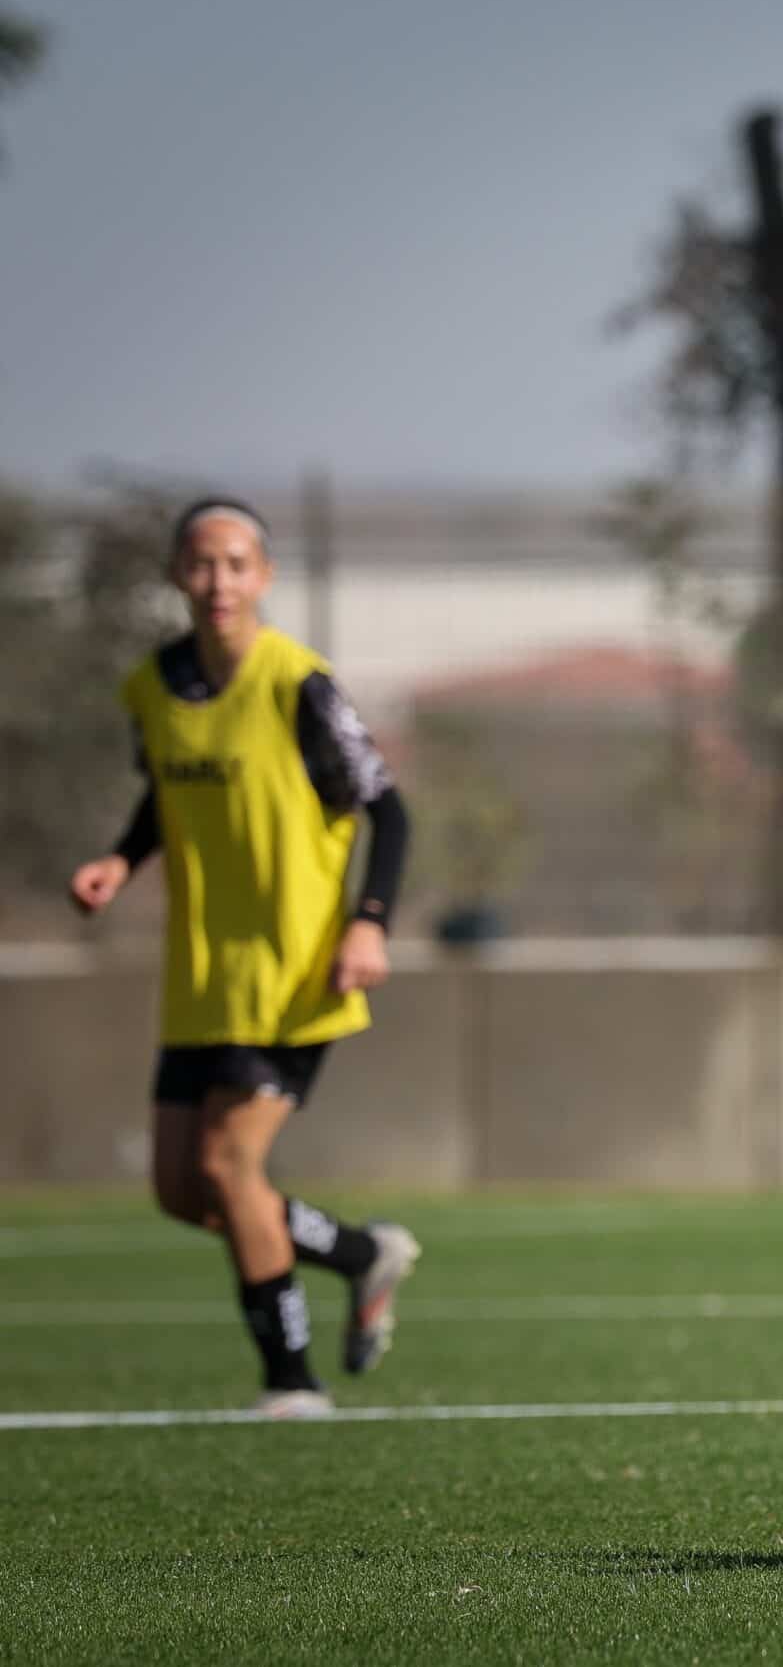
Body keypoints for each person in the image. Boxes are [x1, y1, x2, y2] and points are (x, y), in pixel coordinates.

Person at [67, 497, 422, 1419]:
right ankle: (356, 1254)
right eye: (199, 564)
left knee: (231, 1166)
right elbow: (166, 799)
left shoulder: (297, 684)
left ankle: (291, 1383)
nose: (217, 582)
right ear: (177, 575)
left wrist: (369, 919)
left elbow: (388, 808)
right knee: (182, 1190)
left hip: (296, 968)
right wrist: (121, 857)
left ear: (262, 576)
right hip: (200, 976)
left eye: (235, 564)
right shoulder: (154, 688)